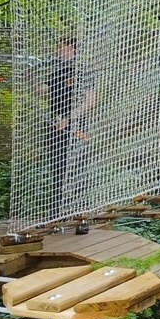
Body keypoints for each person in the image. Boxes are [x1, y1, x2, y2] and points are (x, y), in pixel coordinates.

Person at [40, 36, 95, 211]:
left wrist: (69, 119)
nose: (58, 51)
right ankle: (56, 212)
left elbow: (90, 101)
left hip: (77, 127)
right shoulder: (57, 72)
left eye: (62, 47)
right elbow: (42, 92)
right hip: (56, 125)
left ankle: (81, 214)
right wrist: (29, 74)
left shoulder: (84, 71)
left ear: (73, 50)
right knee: (57, 169)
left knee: (78, 170)